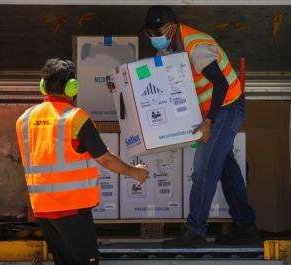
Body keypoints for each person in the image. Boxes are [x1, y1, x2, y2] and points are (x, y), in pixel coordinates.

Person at [140, 6, 260, 247]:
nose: (154, 36)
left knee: (204, 167)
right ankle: (245, 226)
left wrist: (209, 121)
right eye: (150, 32)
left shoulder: (195, 45)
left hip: (227, 106)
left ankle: (195, 230)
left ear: (173, 26)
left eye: (158, 30)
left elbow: (221, 84)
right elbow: (153, 79)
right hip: (212, 111)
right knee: (226, 168)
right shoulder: (167, 49)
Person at [16, 58, 148, 265]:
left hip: (42, 207)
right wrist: (135, 172)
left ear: (43, 86)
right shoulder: (75, 118)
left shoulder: (24, 119)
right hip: (71, 206)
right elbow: (104, 158)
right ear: (72, 87)